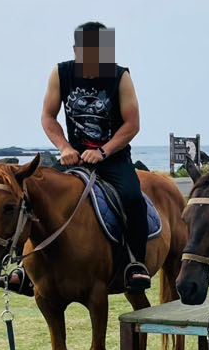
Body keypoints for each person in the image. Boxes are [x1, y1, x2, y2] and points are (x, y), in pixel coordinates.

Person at [40, 21, 151, 293]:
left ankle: (136, 264)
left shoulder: (120, 77)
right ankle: (24, 267)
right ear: (76, 50)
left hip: (112, 158)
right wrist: (64, 147)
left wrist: (103, 151)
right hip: (73, 157)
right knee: (34, 192)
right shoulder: (61, 73)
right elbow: (48, 117)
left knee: (133, 199)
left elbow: (132, 124)